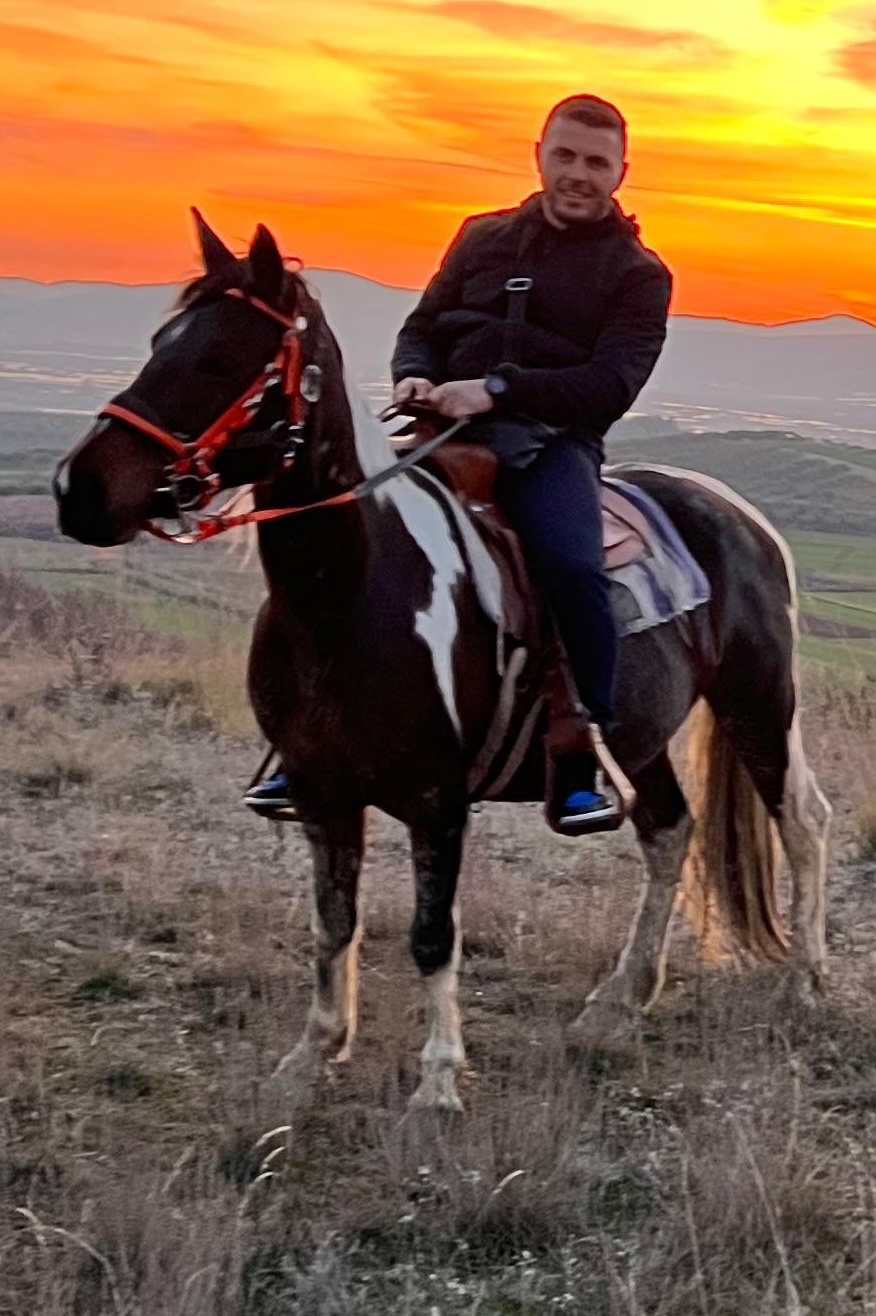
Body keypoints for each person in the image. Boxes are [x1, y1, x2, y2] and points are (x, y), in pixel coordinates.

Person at [246, 93, 671, 839]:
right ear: (539, 155)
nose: (577, 174)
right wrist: (414, 374)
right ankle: (303, 731)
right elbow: (424, 326)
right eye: (565, 155)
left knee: (571, 568)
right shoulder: (482, 236)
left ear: (621, 173)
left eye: (596, 162)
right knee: (341, 542)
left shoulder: (637, 273)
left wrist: (498, 389)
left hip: (550, 445)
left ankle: (582, 748)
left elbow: (610, 384)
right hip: (441, 432)